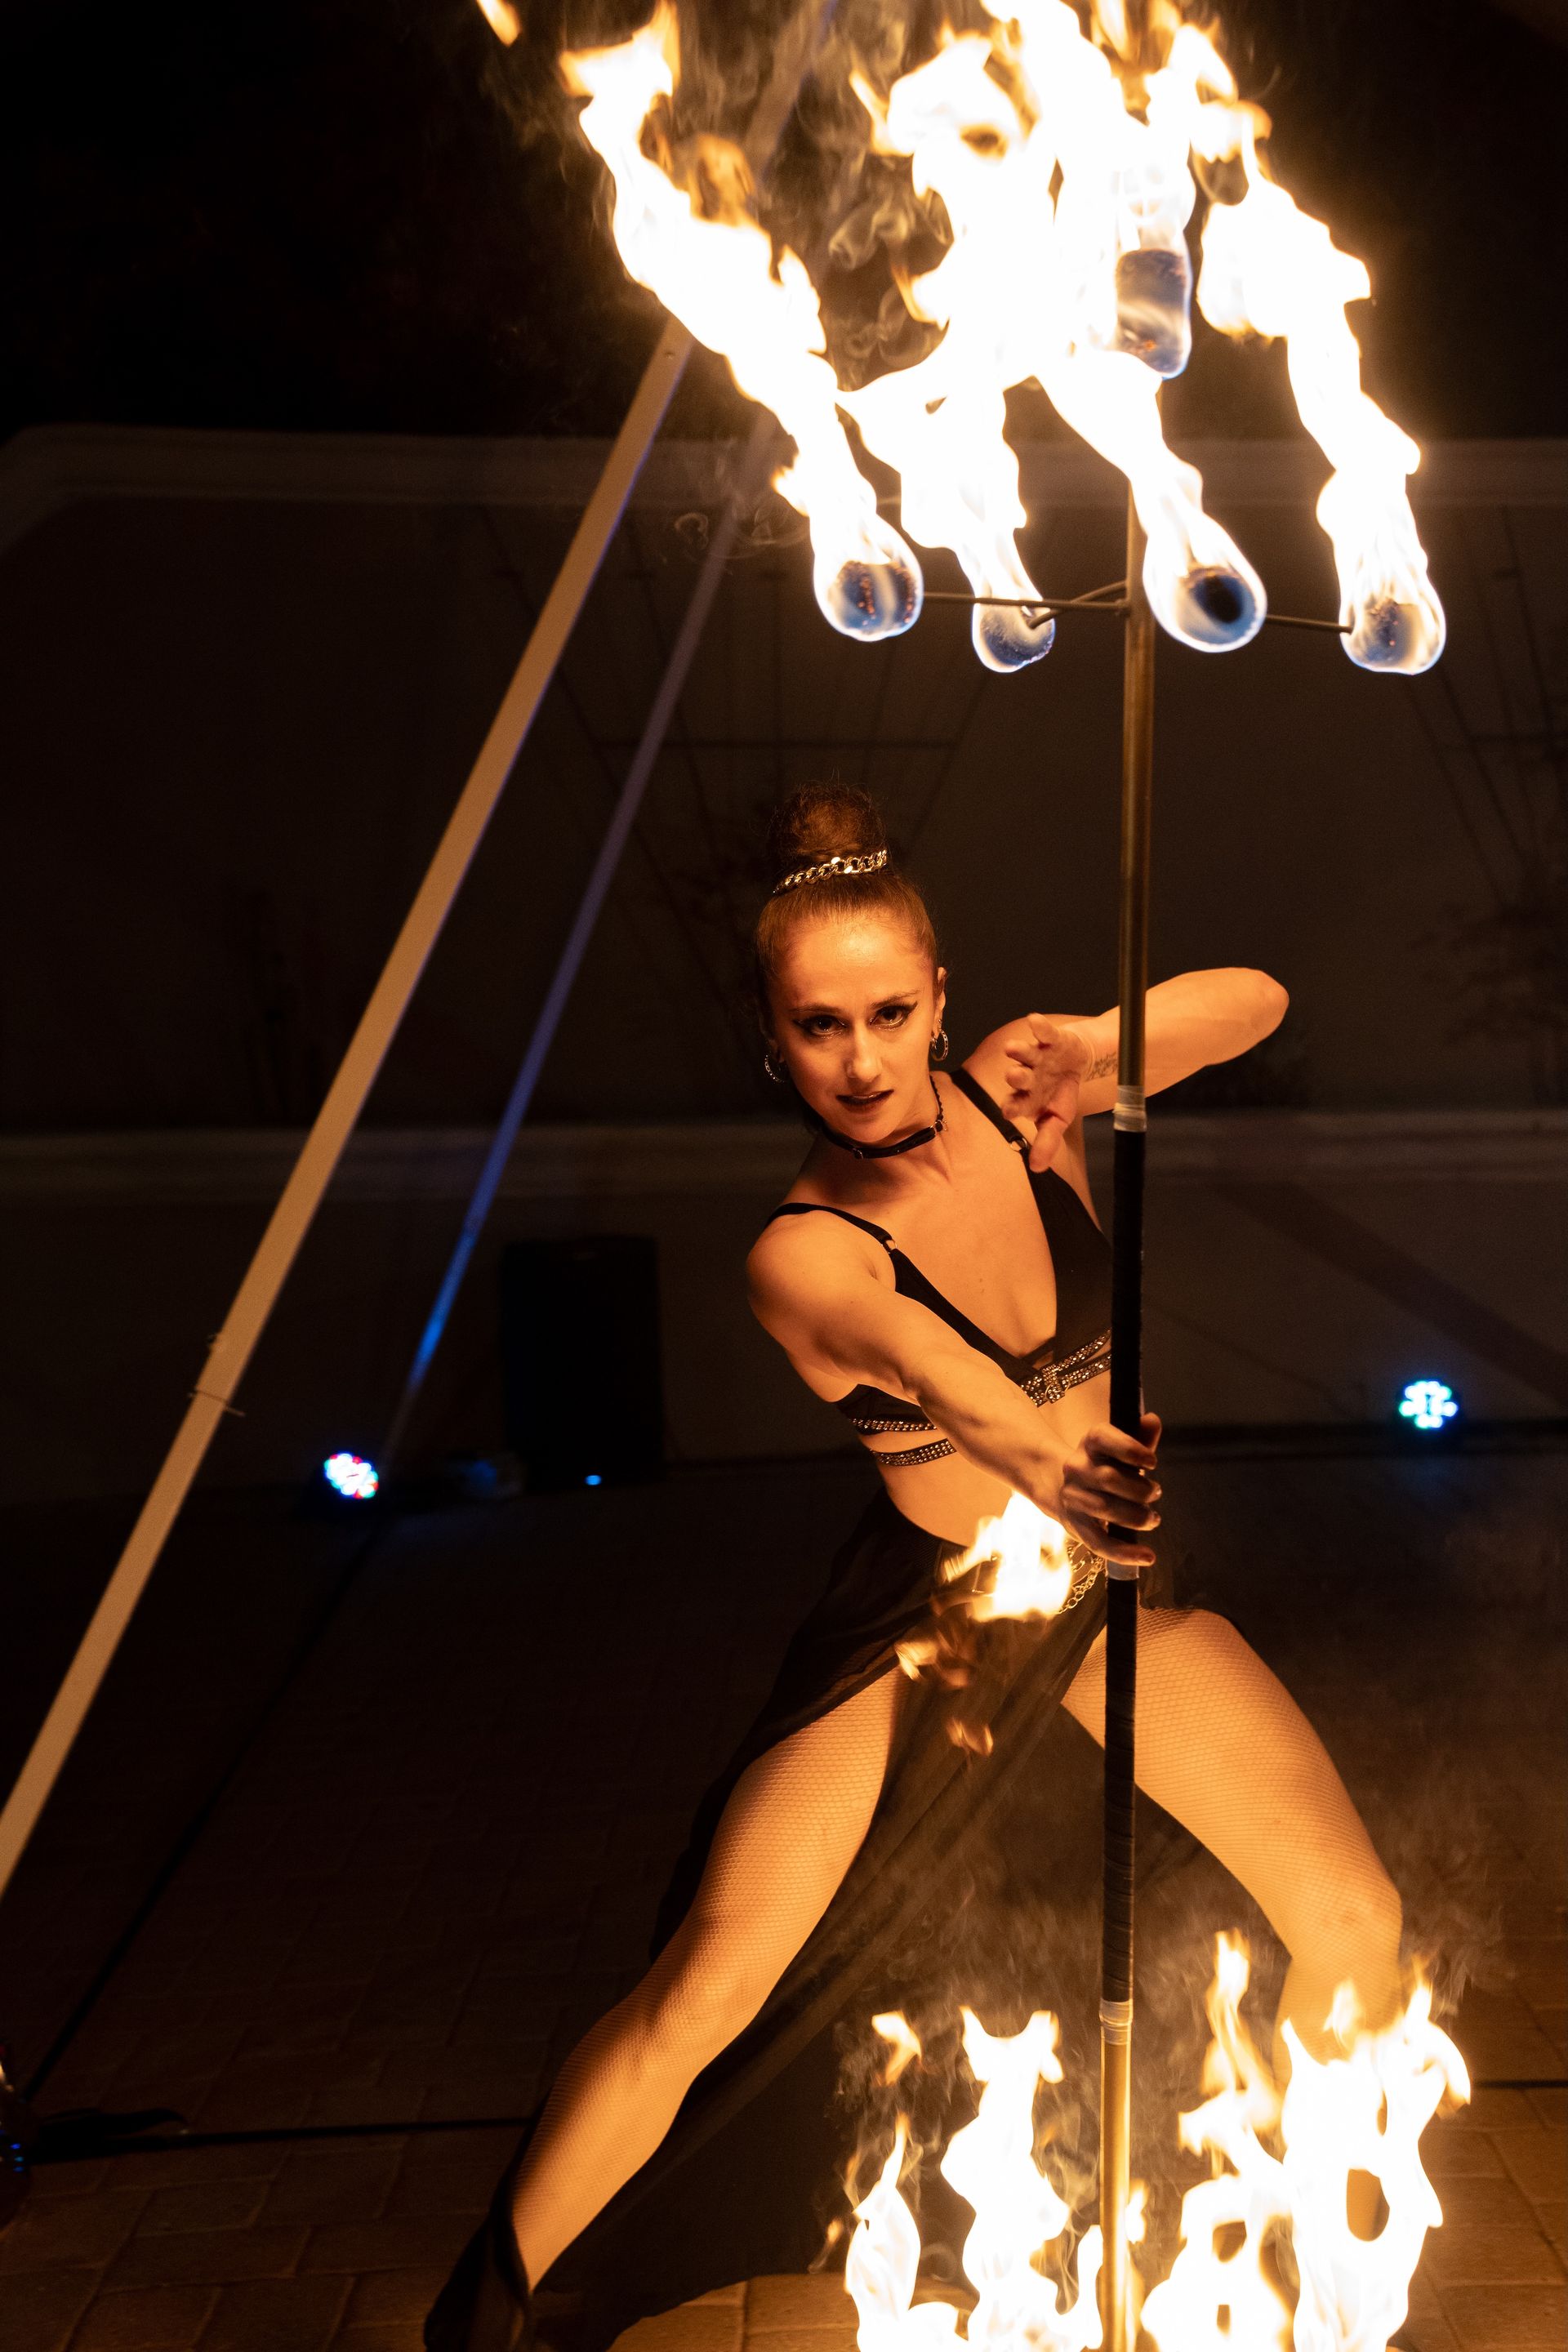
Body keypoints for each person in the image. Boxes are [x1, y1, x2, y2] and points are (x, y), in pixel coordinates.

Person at [427, 785, 1403, 2352]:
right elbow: (958, 1390)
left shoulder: (1034, 1098)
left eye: (892, 1010)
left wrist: (1091, 1045)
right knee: (711, 1984)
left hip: (1096, 1606)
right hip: (924, 1620)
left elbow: (1259, 1004)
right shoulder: (799, 1251)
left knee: (1353, 1919)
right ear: (772, 1042)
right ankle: (485, 2325)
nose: (865, 1059)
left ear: (943, 994)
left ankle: (1299, 2286)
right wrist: (1062, 1464)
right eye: (821, 1028)